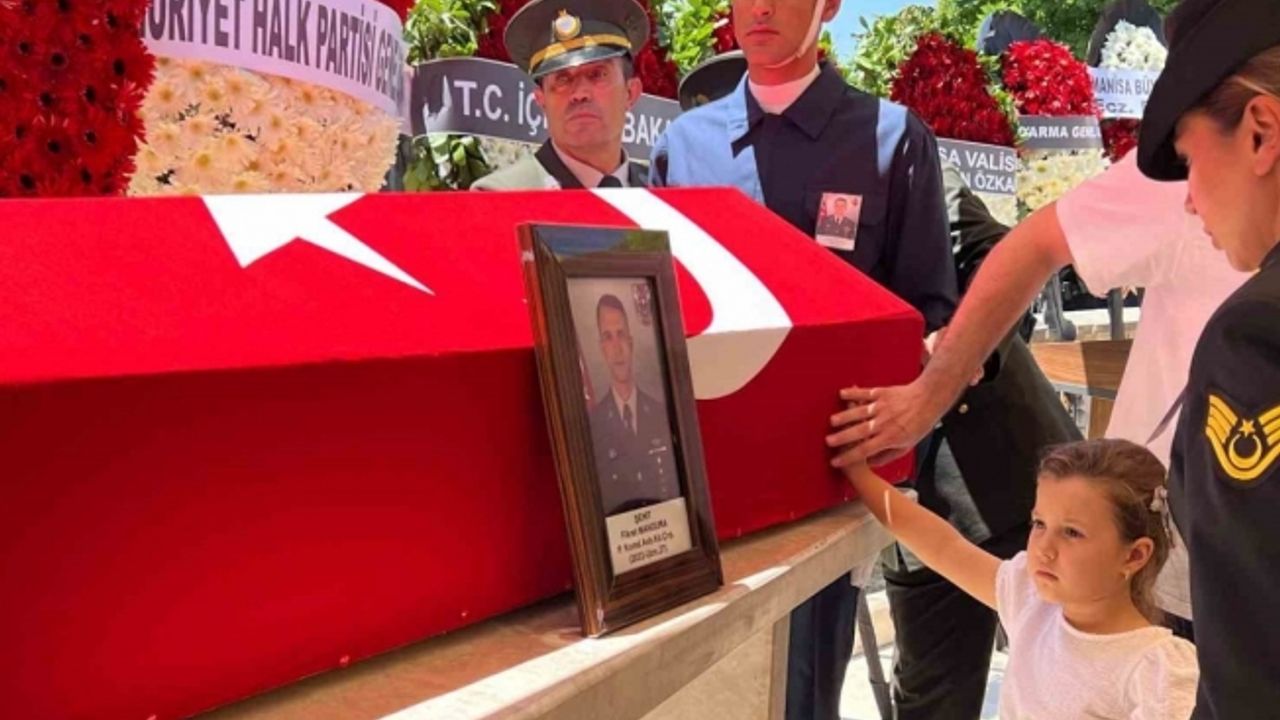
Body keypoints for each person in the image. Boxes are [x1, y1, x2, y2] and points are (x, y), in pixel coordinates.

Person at [826, 25, 1247, 645]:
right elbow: (1029, 245)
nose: (1192, 203)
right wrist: (924, 400)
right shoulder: (1192, 175)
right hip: (1163, 566)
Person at [1135, 0, 1280, 715]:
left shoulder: (1256, 335)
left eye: (1190, 160)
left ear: (1260, 132)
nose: (1191, 202)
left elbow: (1255, 664)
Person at [839, 440, 1198, 719]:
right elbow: (944, 547)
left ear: (1134, 555)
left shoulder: (1156, 671)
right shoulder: (1031, 602)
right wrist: (858, 474)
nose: (1044, 548)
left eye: (1072, 532)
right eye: (1039, 524)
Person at [471, 0, 648, 190]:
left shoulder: (661, 190)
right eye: (563, 79)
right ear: (541, 100)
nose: (580, 93)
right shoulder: (501, 196)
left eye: (597, 74)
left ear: (631, 92)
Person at [588, 294, 679, 516]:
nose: (617, 348)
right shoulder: (593, 424)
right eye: (608, 337)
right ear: (601, 348)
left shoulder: (660, 413)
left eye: (621, 334)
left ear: (631, 342)